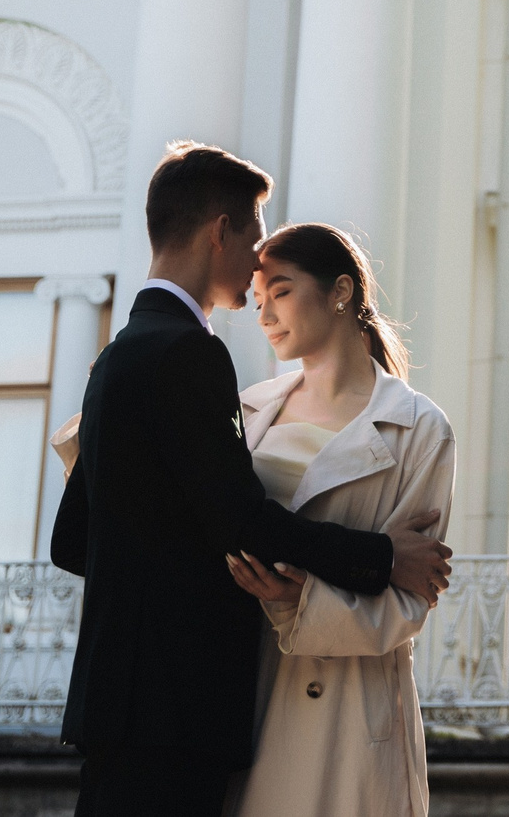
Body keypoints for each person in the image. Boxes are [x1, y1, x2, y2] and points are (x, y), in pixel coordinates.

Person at [50, 144, 452, 817]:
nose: (259, 291)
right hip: (178, 708)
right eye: (256, 241)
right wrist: (384, 556)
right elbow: (238, 520)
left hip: (135, 706)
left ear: (342, 292)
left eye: (281, 287)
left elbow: (73, 539)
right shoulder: (193, 353)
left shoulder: (119, 353)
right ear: (221, 231)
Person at [222, 223, 454, 817]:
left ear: (341, 291)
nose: (265, 314)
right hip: (243, 688)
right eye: (257, 300)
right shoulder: (246, 411)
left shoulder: (418, 429)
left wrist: (301, 600)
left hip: (349, 710)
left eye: (281, 290)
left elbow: (411, 599)